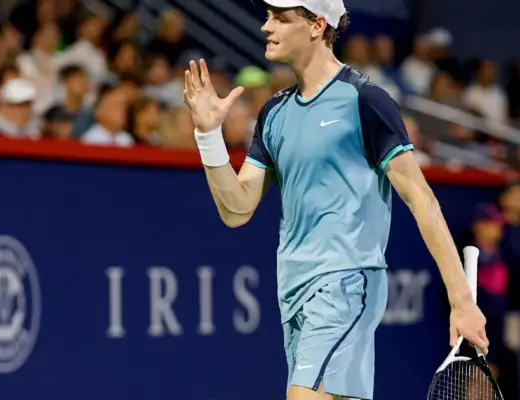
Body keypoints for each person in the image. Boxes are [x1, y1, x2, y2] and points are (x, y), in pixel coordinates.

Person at [182, 0, 489, 399]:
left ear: (317, 25)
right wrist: (208, 135)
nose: (265, 27)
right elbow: (237, 210)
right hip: (292, 293)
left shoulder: (365, 100)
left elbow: (422, 200)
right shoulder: (273, 112)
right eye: (268, 16)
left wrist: (461, 301)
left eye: (280, 18)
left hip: (344, 285)